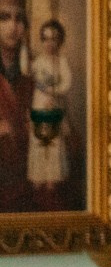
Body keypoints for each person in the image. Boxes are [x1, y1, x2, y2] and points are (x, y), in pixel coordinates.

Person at [0, 0, 35, 213]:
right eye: (4, 17)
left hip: (28, 193)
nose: (13, 26)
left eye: (19, 18)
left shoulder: (34, 82)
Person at [27, 18, 72, 200]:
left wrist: (55, 93)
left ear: (59, 41)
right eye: (45, 39)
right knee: (39, 139)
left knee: (53, 141)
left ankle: (52, 178)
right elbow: (28, 77)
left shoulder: (61, 61)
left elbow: (67, 83)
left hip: (53, 104)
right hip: (39, 104)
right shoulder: (37, 62)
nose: (49, 43)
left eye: (53, 39)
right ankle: (38, 176)